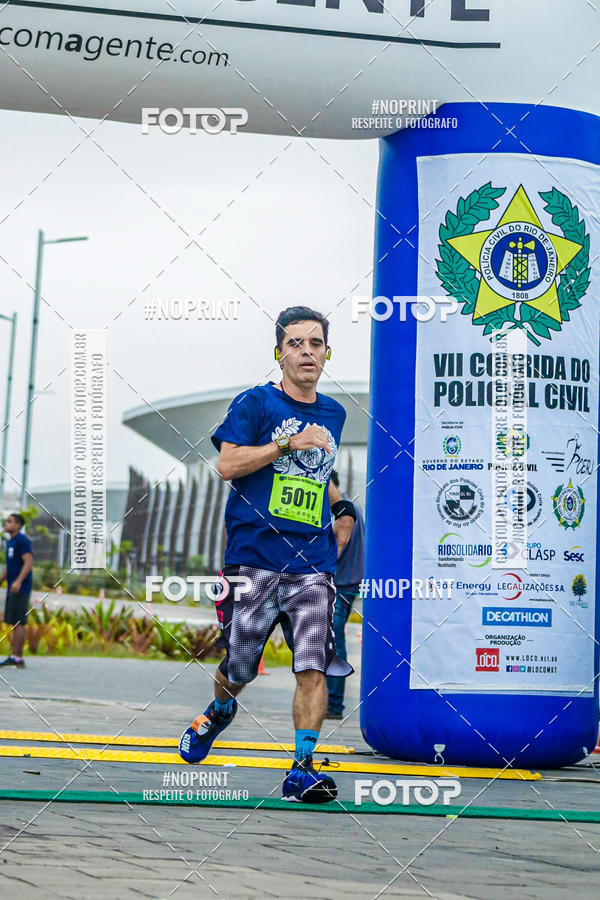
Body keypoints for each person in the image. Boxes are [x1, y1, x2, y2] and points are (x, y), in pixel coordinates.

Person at [178, 306, 357, 803]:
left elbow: (315, 473)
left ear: (327, 353)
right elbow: (227, 464)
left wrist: (339, 507)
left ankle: (301, 768)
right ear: (279, 353)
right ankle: (217, 713)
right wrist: (285, 443)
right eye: (296, 343)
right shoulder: (255, 403)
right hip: (253, 557)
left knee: (313, 667)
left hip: (313, 563)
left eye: (315, 343)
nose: (306, 352)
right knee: (237, 669)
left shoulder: (335, 413)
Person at [325, 469, 365, 720]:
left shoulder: (344, 512)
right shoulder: (352, 507)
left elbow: (338, 548)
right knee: (333, 640)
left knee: (334, 641)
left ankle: (334, 704)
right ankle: (332, 702)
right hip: (348, 584)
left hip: (341, 585)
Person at [0, 513, 33, 668]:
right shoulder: (11, 542)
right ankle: (15, 657)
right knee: (14, 622)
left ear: (18, 525)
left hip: (21, 587)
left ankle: (17, 658)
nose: (6, 524)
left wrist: (19, 582)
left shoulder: (22, 540)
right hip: (12, 588)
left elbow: (28, 562)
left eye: (9, 521)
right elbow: (10, 566)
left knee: (19, 622)